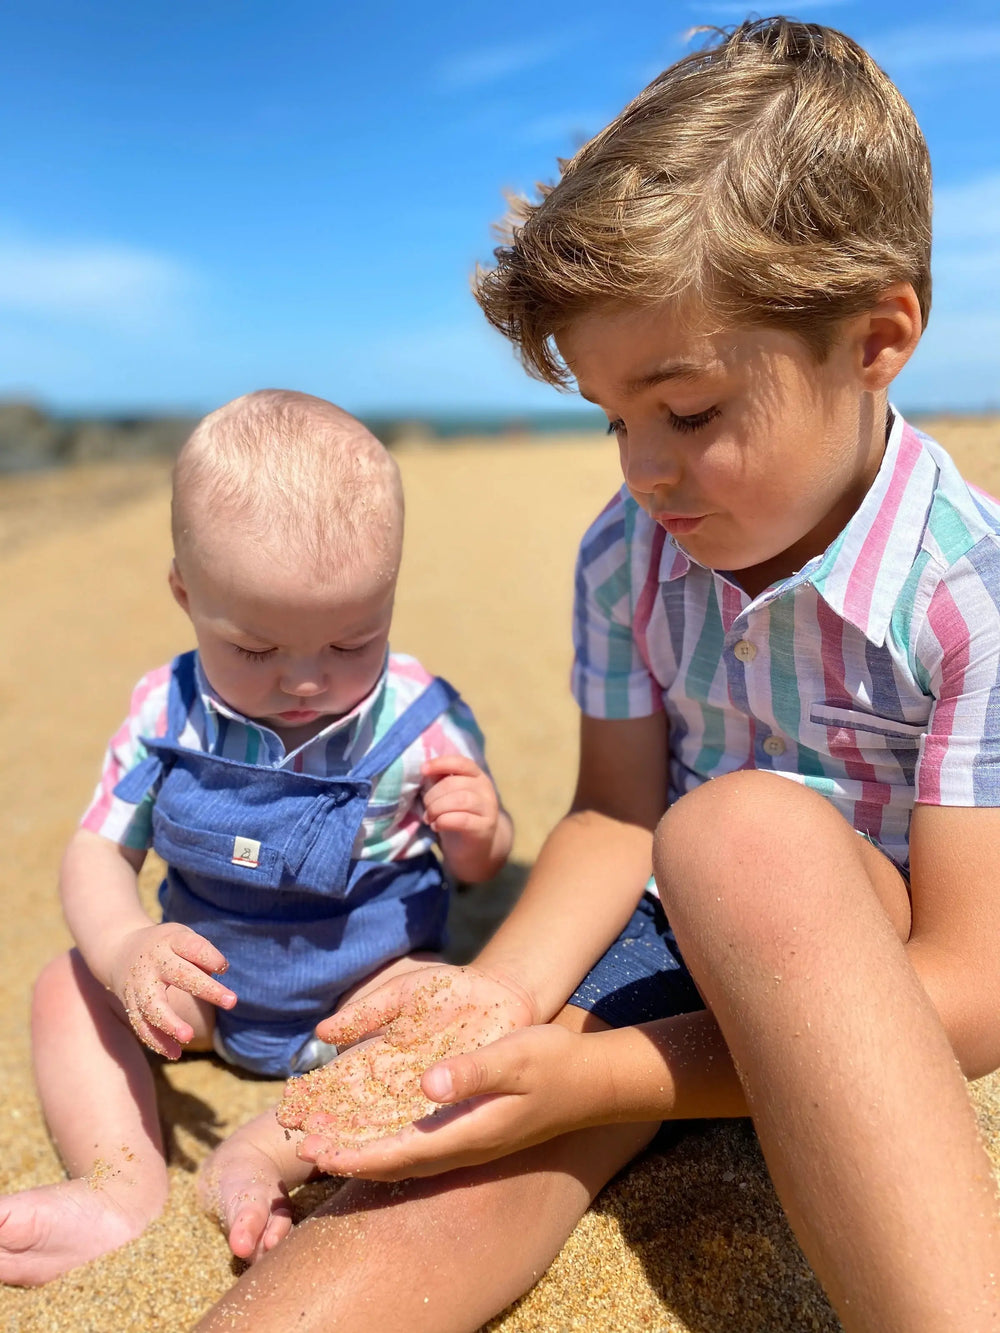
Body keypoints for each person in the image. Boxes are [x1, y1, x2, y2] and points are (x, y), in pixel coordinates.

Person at [195, 18, 1000, 1333]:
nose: (640, 468)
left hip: (873, 982)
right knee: (397, 1208)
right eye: (615, 418)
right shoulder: (632, 550)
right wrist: (502, 1008)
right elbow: (618, 816)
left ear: (875, 337)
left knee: (740, 834)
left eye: (686, 414)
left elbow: (970, 990)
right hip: (660, 948)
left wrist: (609, 1074)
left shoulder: (971, 595)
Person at [0, 389, 512, 1286]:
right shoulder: (169, 712)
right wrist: (125, 950)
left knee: (456, 1009)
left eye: (354, 642)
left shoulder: (418, 717)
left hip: (362, 997)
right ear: (184, 594)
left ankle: (269, 1151)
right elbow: (97, 851)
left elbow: (477, 867)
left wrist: (481, 832)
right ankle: (121, 1182)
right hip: (199, 996)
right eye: (257, 650)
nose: (308, 681)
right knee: (64, 985)